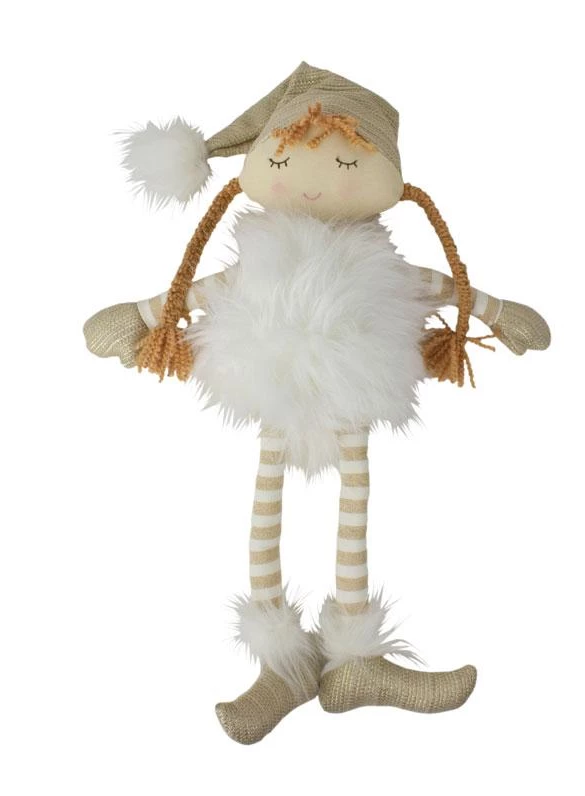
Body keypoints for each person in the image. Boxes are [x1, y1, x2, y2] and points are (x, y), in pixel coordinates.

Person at [84, 62, 550, 744]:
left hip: (351, 391)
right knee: (269, 501)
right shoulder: (261, 260)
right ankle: (284, 666)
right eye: (280, 159)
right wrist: (141, 315)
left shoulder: (376, 265)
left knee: (352, 501)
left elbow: (439, 286)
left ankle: (356, 662)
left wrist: (497, 311)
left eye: (345, 163)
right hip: (277, 389)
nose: (308, 180)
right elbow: (204, 291)